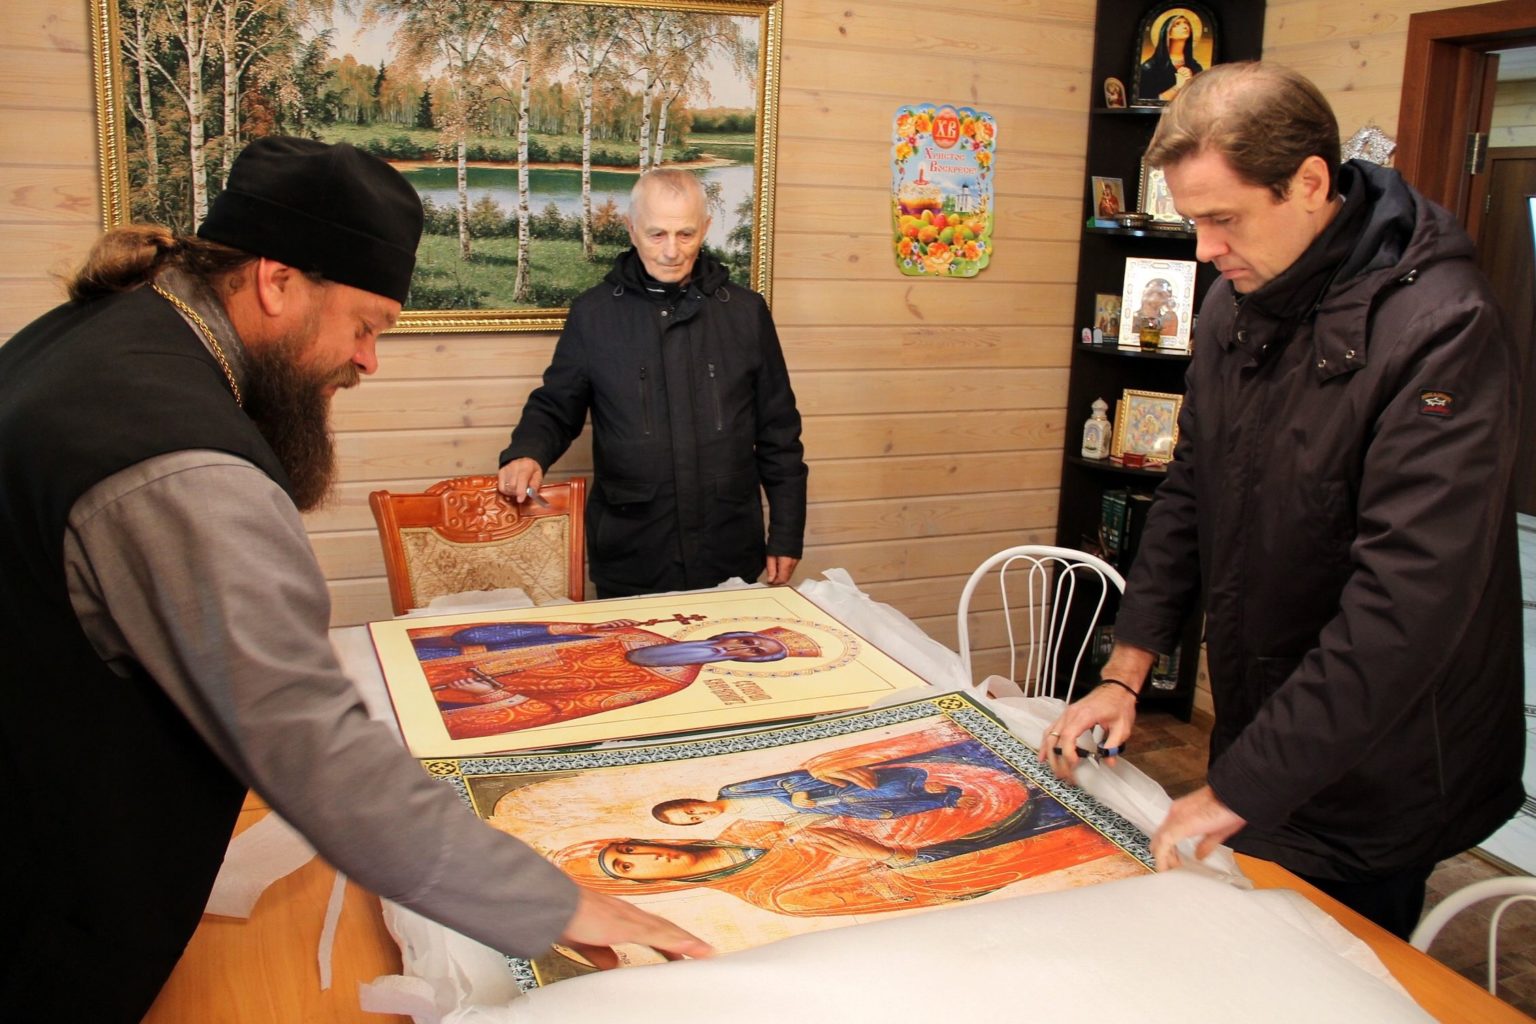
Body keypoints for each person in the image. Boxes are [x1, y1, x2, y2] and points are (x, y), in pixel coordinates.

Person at [0, 137, 710, 1020]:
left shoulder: (101, 333)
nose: (369, 361)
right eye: (366, 326)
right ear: (276, 282)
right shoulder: (179, 462)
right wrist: (559, 904)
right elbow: (310, 746)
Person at [1042, 62, 1526, 939]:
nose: (1204, 250)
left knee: (1331, 962)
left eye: (1223, 219)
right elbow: (1190, 492)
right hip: (1274, 715)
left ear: (1308, 182)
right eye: (1194, 220)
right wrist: (1125, 670)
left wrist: (1237, 787)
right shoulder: (1236, 300)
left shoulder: (1445, 328)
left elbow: (1405, 606)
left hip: (1390, 758)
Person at [497, 168, 808, 598]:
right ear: (631, 229)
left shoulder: (746, 312)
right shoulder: (594, 314)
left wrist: (787, 534)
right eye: (657, 234)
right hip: (633, 551)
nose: (672, 251)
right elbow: (556, 406)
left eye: (686, 234)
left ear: (705, 229)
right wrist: (527, 452)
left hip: (729, 547)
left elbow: (779, 433)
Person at [408, 619, 819, 738]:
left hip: (461, 695)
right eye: (748, 640)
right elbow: (484, 634)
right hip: (444, 658)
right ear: (733, 633)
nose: (743, 648)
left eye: (755, 653)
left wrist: (490, 696)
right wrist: (576, 630)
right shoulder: (635, 633)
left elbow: (568, 710)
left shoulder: (671, 682)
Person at [1136, 13, 1205, 103]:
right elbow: (1146, 102)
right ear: (1168, 33)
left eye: (1186, 23)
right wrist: (1177, 87)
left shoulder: (1196, 67)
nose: (1184, 26)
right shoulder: (1150, 68)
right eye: (1177, 24)